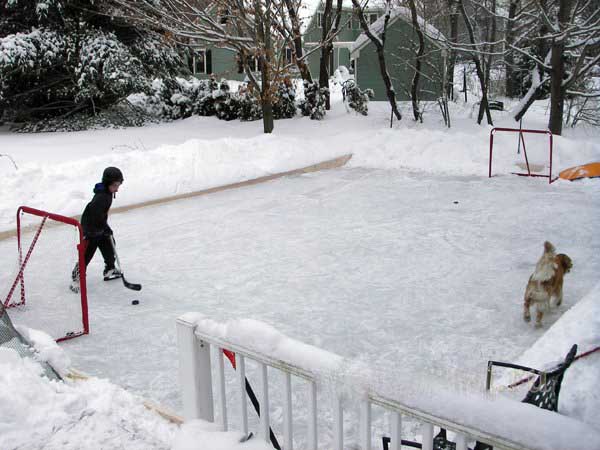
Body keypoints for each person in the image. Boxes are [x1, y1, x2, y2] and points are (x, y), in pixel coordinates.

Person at [70, 167, 124, 292]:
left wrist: (105, 227)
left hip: (99, 226)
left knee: (110, 246)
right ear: (107, 183)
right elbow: (95, 215)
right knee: (87, 254)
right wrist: (105, 227)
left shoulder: (108, 193)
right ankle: (76, 277)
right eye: (115, 185)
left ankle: (109, 269)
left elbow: (101, 215)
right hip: (90, 229)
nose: (117, 188)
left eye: (119, 185)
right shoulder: (101, 197)